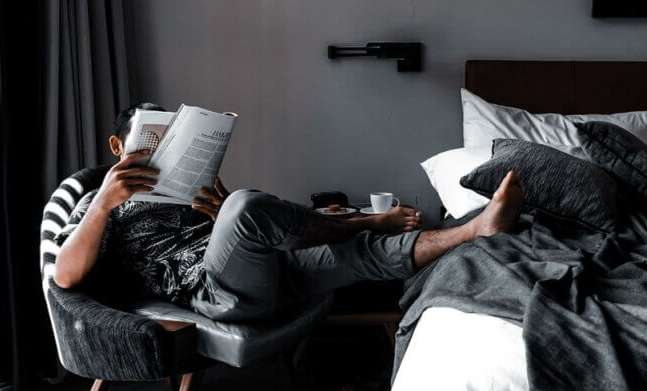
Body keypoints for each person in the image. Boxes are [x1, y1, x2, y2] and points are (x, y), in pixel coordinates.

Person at [54, 103, 523, 322]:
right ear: (120, 146)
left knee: (364, 251)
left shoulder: (183, 190)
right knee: (246, 205)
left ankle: (476, 230)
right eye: (152, 138)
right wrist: (103, 201)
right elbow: (65, 277)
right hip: (213, 293)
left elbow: (240, 228)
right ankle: (354, 220)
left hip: (266, 273)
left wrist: (221, 215)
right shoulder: (101, 205)